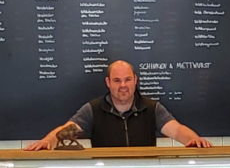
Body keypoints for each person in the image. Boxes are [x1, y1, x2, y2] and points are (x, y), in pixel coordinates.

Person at [25, 60, 213, 150]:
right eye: (117, 80)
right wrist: (47, 142)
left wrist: (194, 139)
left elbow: (177, 130)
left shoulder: (152, 108)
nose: (123, 85)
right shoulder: (93, 109)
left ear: (135, 80)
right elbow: (67, 130)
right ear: (108, 82)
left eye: (127, 80)